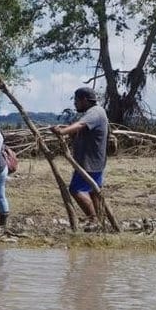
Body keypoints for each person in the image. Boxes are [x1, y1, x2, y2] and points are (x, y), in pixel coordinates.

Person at [51, 86, 110, 225]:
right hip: (94, 160)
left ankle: (94, 219)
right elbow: (83, 131)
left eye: (76, 101)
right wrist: (71, 134)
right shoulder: (95, 112)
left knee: (76, 189)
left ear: (84, 100)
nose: (75, 104)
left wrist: (62, 132)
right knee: (93, 191)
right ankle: (100, 219)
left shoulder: (94, 113)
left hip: (90, 162)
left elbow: (81, 124)